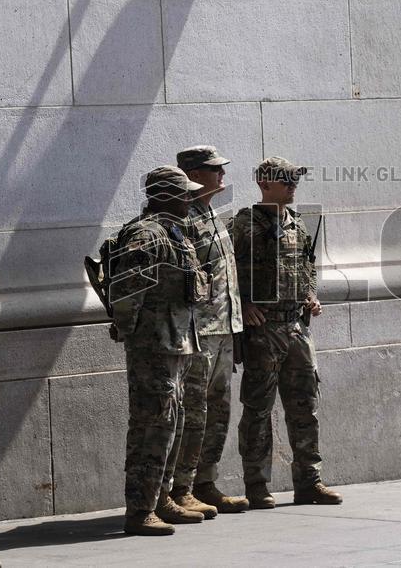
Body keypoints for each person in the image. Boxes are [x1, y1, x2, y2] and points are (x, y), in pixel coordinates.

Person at [105, 166, 209, 536]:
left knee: (171, 423)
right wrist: (130, 331)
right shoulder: (146, 235)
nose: (191, 198)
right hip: (154, 345)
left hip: (176, 342)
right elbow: (127, 290)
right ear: (166, 195)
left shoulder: (174, 231)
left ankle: (161, 498)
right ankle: (140, 510)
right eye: (185, 193)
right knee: (151, 425)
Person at [232, 157, 342, 508]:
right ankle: (257, 485)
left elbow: (308, 266)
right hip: (263, 329)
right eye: (286, 180)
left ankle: (309, 481)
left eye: (295, 179)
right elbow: (224, 271)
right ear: (264, 184)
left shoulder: (297, 223)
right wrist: (242, 304)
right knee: (258, 410)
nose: (293, 185)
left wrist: (310, 295)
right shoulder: (244, 224)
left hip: (296, 327)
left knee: (305, 407)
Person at [169, 146, 249, 516]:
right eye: (216, 169)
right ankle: (181, 487)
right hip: (199, 332)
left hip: (224, 328)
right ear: (195, 174)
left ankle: (206, 482)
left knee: (218, 409)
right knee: (194, 410)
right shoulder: (181, 218)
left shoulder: (212, 215)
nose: (222, 175)